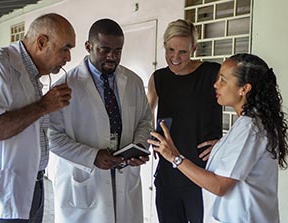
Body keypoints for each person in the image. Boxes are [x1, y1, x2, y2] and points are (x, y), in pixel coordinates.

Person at [149, 53, 288, 222]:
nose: (216, 85)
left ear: (244, 89)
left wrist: (174, 157)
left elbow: (220, 186)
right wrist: (223, 146)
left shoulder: (249, 127)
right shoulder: (248, 124)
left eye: (223, 80)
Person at [0, 13, 75, 223]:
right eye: (65, 49)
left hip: (33, 187)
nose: (68, 58)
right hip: (0, 194)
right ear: (42, 42)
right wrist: (43, 106)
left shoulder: (32, 76)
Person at [48, 18, 152, 223]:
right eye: (104, 50)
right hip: (85, 181)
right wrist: (91, 156)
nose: (112, 57)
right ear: (88, 46)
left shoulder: (133, 81)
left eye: (118, 50)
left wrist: (139, 145)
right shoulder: (65, 86)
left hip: (124, 175)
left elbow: (145, 120)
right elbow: (51, 137)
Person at [147, 19, 222, 223]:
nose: (175, 58)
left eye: (183, 52)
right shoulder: (158, 78)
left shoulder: (212, 73)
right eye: (171, 50)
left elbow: (246, 107)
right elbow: (145, 117)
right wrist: (151, 139)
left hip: (202, 173)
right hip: (168, 174)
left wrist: (226, 143)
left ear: (194, 48)